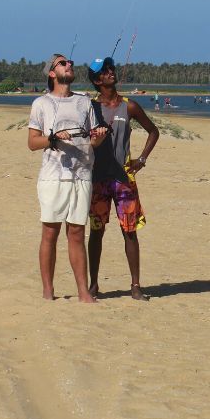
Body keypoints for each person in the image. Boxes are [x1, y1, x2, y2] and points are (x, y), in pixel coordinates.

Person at [27, 53, 107, 302]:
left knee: (76, 233)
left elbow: (92, 141)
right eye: (63, 63)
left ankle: (83, 292)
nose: (69, 65)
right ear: (52, 73)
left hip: (82, 175)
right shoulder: (41, 103)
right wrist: (53, 138)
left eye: (69, 63)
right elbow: (32, 142)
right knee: (50, 233)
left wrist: (100, 137)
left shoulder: (84, 102)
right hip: (53, 177)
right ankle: (48, 290)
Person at [85, 56, 159, 301]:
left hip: (124, 179)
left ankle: (136, 286)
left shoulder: (129, 106)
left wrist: (142, 159)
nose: (110, 73)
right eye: (104, 71)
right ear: (97, 80)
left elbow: (153, 131)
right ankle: (93, 285)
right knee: (96, 231)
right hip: (98, 178)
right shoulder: (90, 108)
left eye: (111, 69)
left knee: (130, 231)